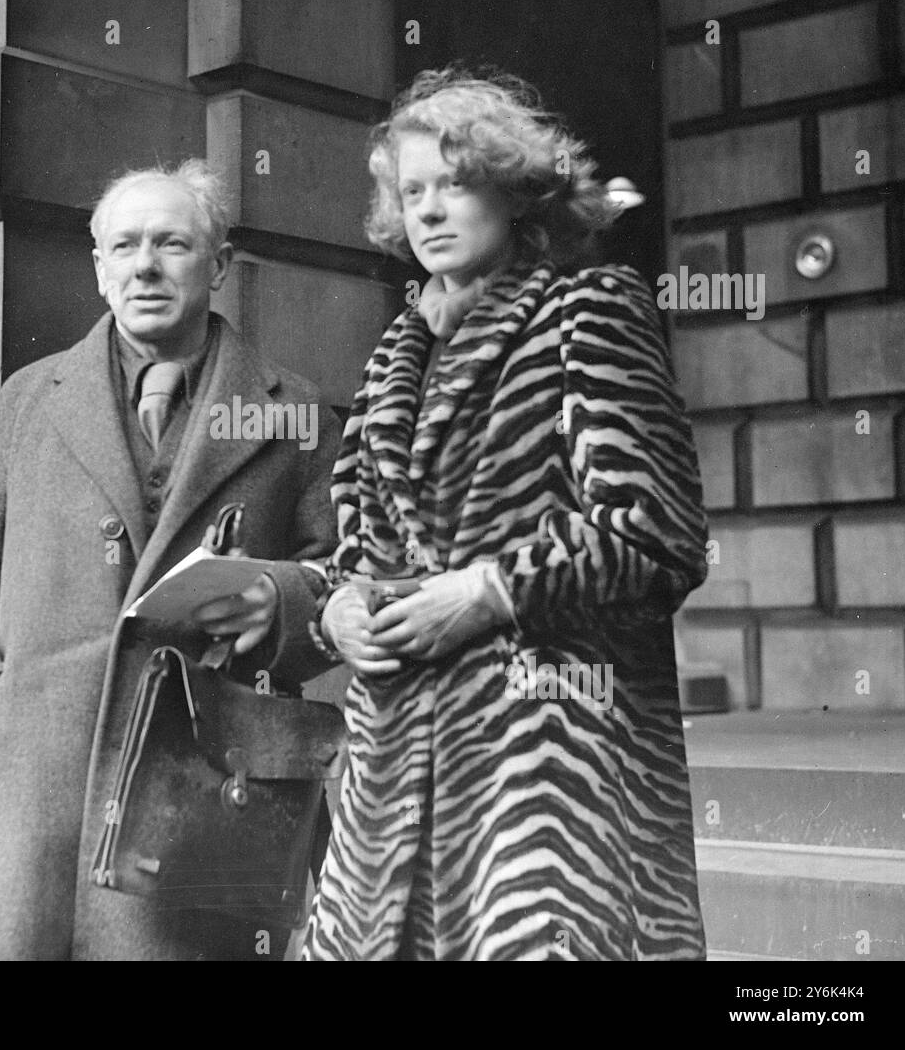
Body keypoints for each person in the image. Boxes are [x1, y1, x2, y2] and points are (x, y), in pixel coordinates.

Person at [302, 67, 709, 961]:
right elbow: (356, 550)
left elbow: (657, 534)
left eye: (457, 184)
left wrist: (487, 592)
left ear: (516, 195)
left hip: (549, 763)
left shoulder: (588, 312)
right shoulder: (390, 362)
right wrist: (339, 609)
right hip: (393, 779)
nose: (431, 211)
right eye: (413, 192)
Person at [0, 159, 341, 960]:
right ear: (99, 269)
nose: (146, 265)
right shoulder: (29, 399)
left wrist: (281, 598)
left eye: (172, 243)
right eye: (124, 246)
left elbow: (344, 578)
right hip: (25, 799)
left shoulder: (298, 412)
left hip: (200, 800)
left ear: (218, 264)